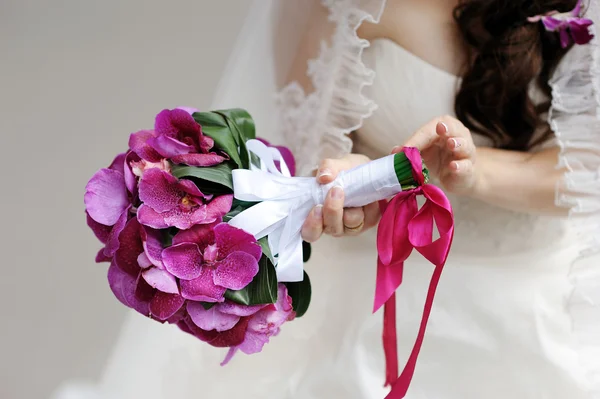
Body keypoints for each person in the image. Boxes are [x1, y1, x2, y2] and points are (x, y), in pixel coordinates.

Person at [56, 0, 600, 398]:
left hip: (541, 303)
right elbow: (307, 162)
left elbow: (590, 165)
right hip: (376, 295)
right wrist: (355, 183)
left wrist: (474, 174)